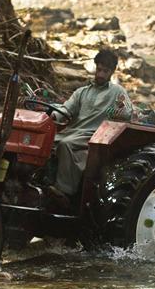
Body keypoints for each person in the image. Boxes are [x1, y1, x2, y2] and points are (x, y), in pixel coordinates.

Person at [48, 49, 133, 205]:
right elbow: (67, 109)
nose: (100, 74)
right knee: (46, 142)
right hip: (74, 131)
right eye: (99, 70)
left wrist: (111, 111)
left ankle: (64, 191)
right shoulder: (82, 92)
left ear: (112, 72)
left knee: (66, 144)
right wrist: (54, 115)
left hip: (94, 134)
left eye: (105, 71)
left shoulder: (117, 92)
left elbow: (127, 112)